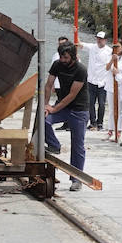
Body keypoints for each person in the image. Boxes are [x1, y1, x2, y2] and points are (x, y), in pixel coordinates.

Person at [43, 41, 88, 192]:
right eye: (61, 57)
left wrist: (54, 109)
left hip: (79, 109)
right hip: (62, 106)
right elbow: (48, 85)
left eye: (66, 58)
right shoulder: (57, 64)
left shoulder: (81, 69)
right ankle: (55, 146)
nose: (63, 60)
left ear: (73, 57)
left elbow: (72, 95)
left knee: (77, 145)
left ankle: (76, 179)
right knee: (44, 120)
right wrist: (45, 105)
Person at [76, 32, 111, 131]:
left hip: (102, 81)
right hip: (91, 80)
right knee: (90, 103)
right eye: (98, 38)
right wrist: (75, 32)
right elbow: (79, 44)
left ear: (105, 40)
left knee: (101, 103)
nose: (99, 40)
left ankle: (100, 123)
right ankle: (93, 122)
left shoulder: (109, 51)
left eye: (101, 38)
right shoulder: (92, 47)